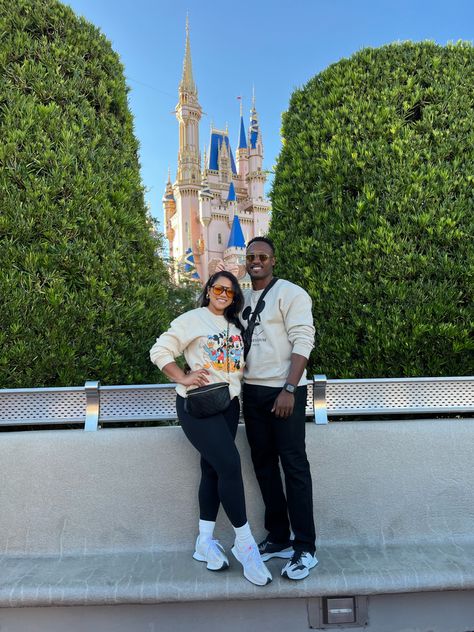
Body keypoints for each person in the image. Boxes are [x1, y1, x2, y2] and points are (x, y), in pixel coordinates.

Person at [150, 271, 272, 587]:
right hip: (199, 405)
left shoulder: (235, 326)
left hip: (229, 406)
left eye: (229, 292)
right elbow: (160, 350)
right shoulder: (193, 319)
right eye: (218, 288)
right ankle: (244, 545)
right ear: (208, 291)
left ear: (234, 297)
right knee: (230, 464)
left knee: (214, 470)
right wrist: (182, 376)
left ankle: (203, 542)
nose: (223, 294)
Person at [241, 236, 317, 580]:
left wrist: (289, 387)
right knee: (264, 466)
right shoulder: (242, 298)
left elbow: (304, 338)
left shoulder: (292, 293)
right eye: (251, 256)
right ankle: (278, 538)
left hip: (284, 392)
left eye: (262, 256)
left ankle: (305, 547)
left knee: (294, 465)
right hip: (252, 392)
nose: (256, 260)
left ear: (273, 261)